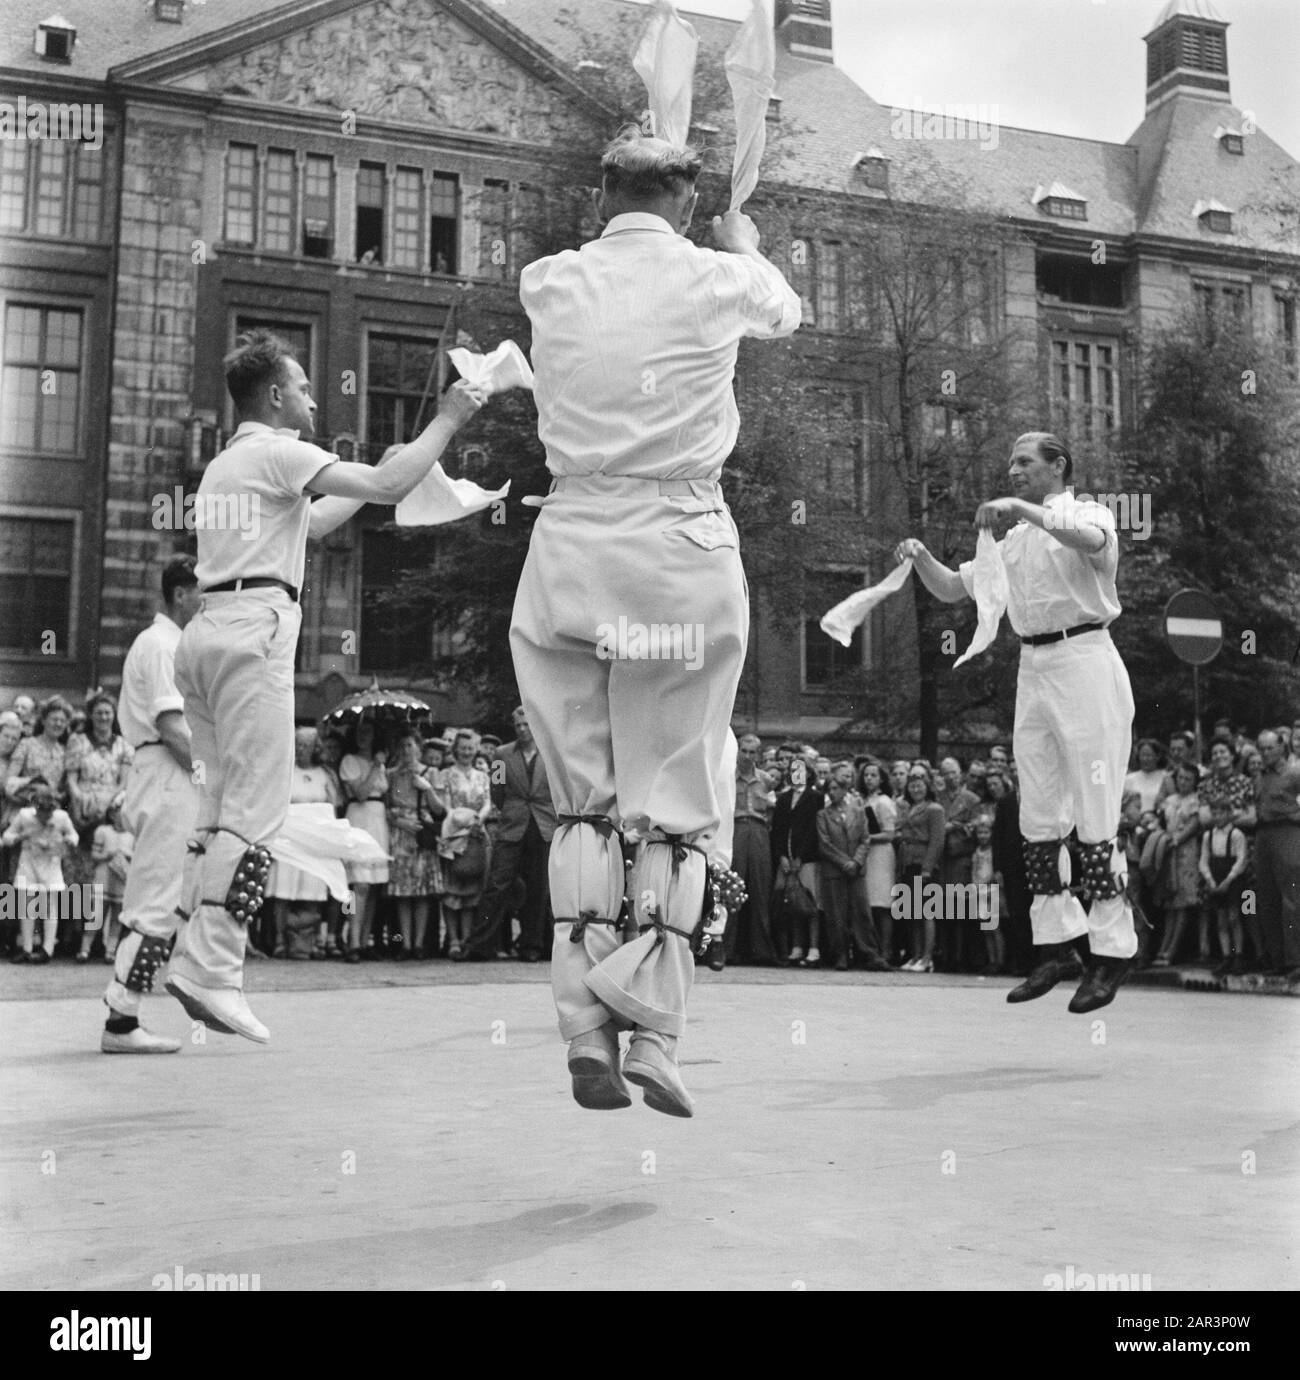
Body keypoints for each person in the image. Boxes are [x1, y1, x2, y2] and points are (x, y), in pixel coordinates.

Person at [511, 126, 800, 1116]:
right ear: (686, 204)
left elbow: (605, 275)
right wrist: (743, 239)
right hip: (678, 543)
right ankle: (652, 1027)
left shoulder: (549, 279)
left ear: (600, 195)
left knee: (582, 797)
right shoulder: (720, 276)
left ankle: (582, 1025)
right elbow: (784, 310)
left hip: (570, 543)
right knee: (675, 792)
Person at [161, 329, 488, 1041]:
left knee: (216, 808)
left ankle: (190, 946)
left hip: (208, 632)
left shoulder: (229, 463)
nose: (313, 397)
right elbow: (386, 486)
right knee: (256, 809)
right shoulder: (281, 451)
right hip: (256, 631)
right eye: (304, 386)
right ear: (276, 396)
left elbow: (313, 523)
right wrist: (452, 416)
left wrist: (398, 464)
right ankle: (211, 969)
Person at [896, 432, 1138, 1012]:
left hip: (1086, 658)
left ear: (1059, 466)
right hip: (1035, 667)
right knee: (1038, 815)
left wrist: (1022, 510)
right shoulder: (1012, 542)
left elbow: (1088, 540)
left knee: (1096, 812)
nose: (1013, 471)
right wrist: (921, 558)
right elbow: (957, 588)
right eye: (1010, 463)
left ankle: (1111, 952)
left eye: (1025, 462)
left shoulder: (1087, 512)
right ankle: (1057, 944)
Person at [99, 556, 201, 1053]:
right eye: (203, 592)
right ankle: (122, 1020)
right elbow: (172, 727)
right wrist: (209, 776)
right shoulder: (161, 645)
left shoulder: (169, 644)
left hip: (164, 773)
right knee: (156, 900)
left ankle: (125, 1014)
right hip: (167, 773)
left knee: (163, 897)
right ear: (181, 593)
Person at [466, 706, 556, 963]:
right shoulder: (500, 754)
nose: (522, 730)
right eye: (518, 726)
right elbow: (497, 792)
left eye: (526, 725)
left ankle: (532, 946)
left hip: (543, 824)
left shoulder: (551, 753)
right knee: (496, 885)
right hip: (512, 824)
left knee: (539, 889)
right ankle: (481, 945)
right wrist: (513, 810)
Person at [65, 691, 132, 955]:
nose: (103, 717)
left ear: (113, 716)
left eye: (108, 712)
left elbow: (124, 782)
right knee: (79, 875)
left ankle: (101, 942)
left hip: (111, 810)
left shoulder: (123, 746)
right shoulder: (77, 741)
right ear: (91, 715)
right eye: (99, 712)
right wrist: (80, 797)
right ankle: (76, 938)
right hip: (83, 811)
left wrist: (109, 804)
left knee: (104, 880)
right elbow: (71, 777)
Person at [268, 727, 341, 959]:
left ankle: (311, 940)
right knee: (284, 890)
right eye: (298, 744)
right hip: (289, 838)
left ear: (315, 748)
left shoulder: (325, 774)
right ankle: (280, 940)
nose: (301, 749)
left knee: (313, 890)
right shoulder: (285, 772)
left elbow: (333, 807)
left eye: (306, 745)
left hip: (314, 840)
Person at [816, 765, 890, 971]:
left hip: (856, 870)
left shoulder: (858, 812)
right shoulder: (823, 815)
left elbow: (865, 840)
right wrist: (844, 862)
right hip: (835, 870)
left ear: (845, 790)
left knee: (861, 912)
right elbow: (825, 844)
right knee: (837, 914)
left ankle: (869, 953)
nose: (832, 793)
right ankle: (840, 955)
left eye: (836, 789)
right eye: (829, 790)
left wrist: (856, 862)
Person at [385, 726, 443, 960]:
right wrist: (401, 823)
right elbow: (387, 808)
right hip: (401, 834)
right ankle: (406, 943)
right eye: (402, 746)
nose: (406, 750)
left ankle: (419, 944)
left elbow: (440, 809)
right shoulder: (392, 775)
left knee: (421, 893)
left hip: (421, 833)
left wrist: (427, 789)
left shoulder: (430, 772)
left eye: (410, 745)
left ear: (419, 748)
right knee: (403, 893)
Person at [3, 784, 77, 963]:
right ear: (35, 808)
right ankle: (27, 949)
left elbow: (74, 836)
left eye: (49, 811)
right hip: (29, 860)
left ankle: (47, 949)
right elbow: (7, 836)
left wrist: (69, 840)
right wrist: (20, 837)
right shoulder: (24, 816)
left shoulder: (62, 817)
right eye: (42, 811)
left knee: (50, 906)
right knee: (27, 906)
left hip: (51, 861)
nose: (46, 815)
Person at [339, 717, 390, 962]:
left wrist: (380, 765)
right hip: (359, 818)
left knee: (373, 885)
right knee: (358, 884)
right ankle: (353, 940)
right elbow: (360, 794)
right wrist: (375, 767)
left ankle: (365, 938)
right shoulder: (350, 761)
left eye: (368, 731)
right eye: (359, 732)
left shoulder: (380, 763)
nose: (363, 736)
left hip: (378, 821)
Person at [1252, 730, 1300, 980]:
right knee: (1266, 898)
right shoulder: (1259, 776)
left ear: (1282, 747)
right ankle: (1277, 958)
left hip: (1288, 833)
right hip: (1263, 835)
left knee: (1291, 898)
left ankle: (1295, 960)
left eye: (1270, 748)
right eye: (1261, 749)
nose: (1265, 753)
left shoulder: (1294, 774)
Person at [726, 733, 778, 966]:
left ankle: (761, 950)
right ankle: (726, 949)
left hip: (758, 831)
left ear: (758, 754)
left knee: (759, 886)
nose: (747, 756)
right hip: (735, 830)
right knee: (732, 886)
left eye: (752, 752)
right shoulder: (728, 777)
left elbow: (800, 787)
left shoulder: (766, 780)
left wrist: (796, 762)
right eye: (743, 751)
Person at [770, 753, 823, 965]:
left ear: (809, 773)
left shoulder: (816, 797)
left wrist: (801, 856)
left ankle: (814, 947)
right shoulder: (783, 798)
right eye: (792, 770)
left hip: (807, 858)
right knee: (790, 902)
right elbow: (778, 830)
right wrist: (781, 855)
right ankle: (796, 946)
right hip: (786, 857)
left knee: (810, 903)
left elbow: (814, 830)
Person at [896, 766, 945, 971]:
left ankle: (927, 958)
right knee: (911, 912)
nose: (916, 789)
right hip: (908, 862)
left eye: (920, 785)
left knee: (926, 912)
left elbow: (937, 840)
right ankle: (915, 955)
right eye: (912, 786)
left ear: (927, 787)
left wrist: (928, 867)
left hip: (923, 863)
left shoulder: (934, 809)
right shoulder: (909, 808)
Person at [1153, 763, 1202, 965]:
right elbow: (1160, 822)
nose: (1183, 782)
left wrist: (1176, 839)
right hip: (1168, 851)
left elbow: (1194, 825)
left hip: (1186, 852)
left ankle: (1171, 950)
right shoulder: (1170, 800)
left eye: (1188, 779)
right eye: (1180, 778)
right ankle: (1163, 947)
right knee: (1170, 902)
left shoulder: (1195, 801)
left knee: (1182, 902)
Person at [1199, 798, 1248, 977]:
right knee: (1221, 920)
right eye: (1215, 813)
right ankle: (1226, 956)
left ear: (1229, 813)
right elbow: (1204, 860)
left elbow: (1242, 860)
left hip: (1233, 880)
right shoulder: (1208, 836)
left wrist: (1228, 880)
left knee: (1235, 917)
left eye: (1221, 813)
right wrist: (1210, 880)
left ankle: (1239, 956)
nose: (1217, 817)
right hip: (1216, 878)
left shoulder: (1236, 835)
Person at [856, 758, 898, 965]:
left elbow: (889, 834)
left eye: (874, 775)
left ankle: (886, 950)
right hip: (867, 854)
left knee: (882, 904)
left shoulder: (884, 802)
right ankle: (872, 949)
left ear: (881, 779)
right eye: (866, 775)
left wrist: (866, 837)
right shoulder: (862, 800)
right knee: (869, 904)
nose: (869, 779)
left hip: (880, 853)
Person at [5, 695, 72, 806]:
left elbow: (64, 789)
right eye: (54, 719)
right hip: (24, 806)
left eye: (62, 721)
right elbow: (8, 783)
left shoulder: (65, 751)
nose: (58, 724)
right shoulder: (26, 744)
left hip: (52, 810)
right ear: (43, 720)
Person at [89, 801, 133, 965]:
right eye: (116, 813)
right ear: (111, 815)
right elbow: (94, 855)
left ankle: (111, 950)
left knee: (116, 916)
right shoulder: (103, 831)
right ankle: (85, 948)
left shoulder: (131, 835)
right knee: (97, 913)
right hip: (104, 876)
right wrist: (106, 855)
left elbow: (136, 856)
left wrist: (127, 856)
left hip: (121, 878)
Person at [1124, 739, 1166, 815]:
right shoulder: (1129, 779)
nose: (1145, 759)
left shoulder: (1165, 777)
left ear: (1157, 756)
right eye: (1143, 755)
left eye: (1149, 755)